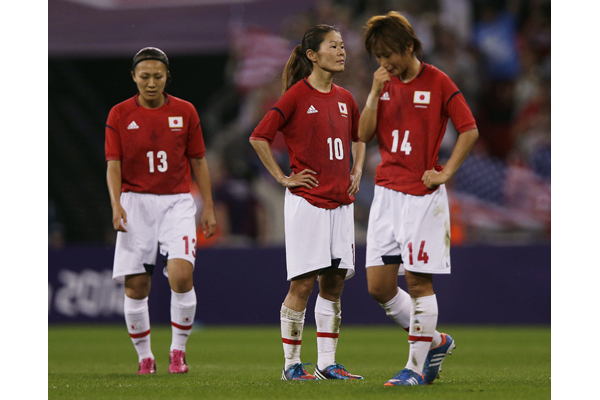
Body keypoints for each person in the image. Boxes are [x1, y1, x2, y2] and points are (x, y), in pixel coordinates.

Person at [359, 12, 479, 386]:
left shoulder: (438, 81)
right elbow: (362, 134)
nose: (384, 63)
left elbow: (469, 129)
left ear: (409, 46)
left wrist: (445, 172)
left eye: (388, 54)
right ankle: (436, 340)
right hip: (385, 193)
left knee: (417, 283)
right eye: (378, 57)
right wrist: (375, 92)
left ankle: (414, 368)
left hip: (422, 196)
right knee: (378, 287)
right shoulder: (384, 84)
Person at [249, 24, 366, 381]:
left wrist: (357, 169)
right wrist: (284, 178)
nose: (342, 51)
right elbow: (259, 137)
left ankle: (328, 364)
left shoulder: (346, 98)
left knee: (334, 284)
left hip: (341, 202)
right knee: (302, 284)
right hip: (308, 202)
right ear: (312, 55)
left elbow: (360, 137)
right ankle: (291, 366)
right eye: (334, 46)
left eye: (343, 45)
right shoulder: (296, 96)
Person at [105, 47, 217, 375]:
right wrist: (115, 205)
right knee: (136, 287)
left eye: (158, 76)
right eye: (144, 77)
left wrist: (207, 207)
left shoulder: (185, 112)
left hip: (177, 201)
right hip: (134, 202)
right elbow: (113, 164)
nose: (151, 83)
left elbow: (198, 160)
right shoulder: (119, 114)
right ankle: (145, 357)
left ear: (167, 76)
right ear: (133, 77)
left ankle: (177, 352)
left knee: (181, 276)